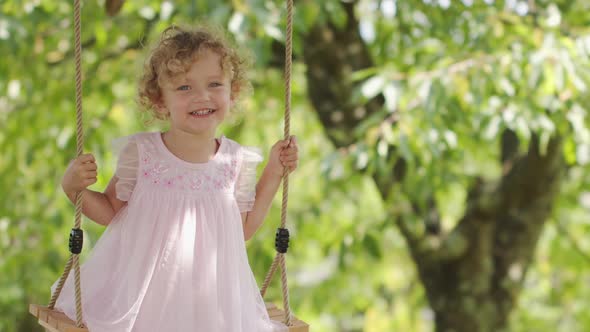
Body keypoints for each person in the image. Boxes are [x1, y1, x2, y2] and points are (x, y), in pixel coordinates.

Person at [52, 24, 299, 332]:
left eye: (215, 84)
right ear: (159, 100)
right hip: (146, 301)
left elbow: (245, 227)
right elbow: (108, 211)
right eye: (184, 88)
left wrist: (274, 172)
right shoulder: (143, 154)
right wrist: (72, 188)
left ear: (232, 92)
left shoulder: (235, 161)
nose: (201, 96)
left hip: (210, 305)